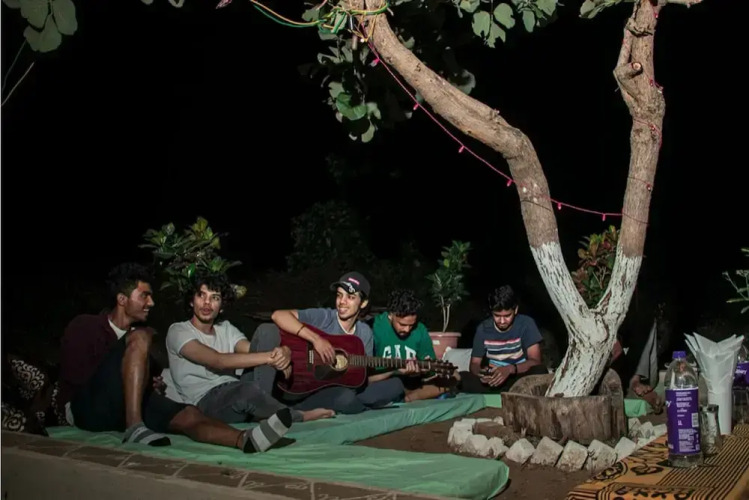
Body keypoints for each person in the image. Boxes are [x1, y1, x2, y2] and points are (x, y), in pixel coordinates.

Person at [57, 262, 292, 453]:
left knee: (188, 414)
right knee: (142, 335)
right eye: (145, 296)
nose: (151, 302)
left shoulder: (140, 344)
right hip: (86, 407)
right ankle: (134, 427)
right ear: (122, 299)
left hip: (122, 407)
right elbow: (77, 378)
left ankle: (245, 439)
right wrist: (123, 376)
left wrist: (147, 383)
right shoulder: (87, 326)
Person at [166, 272, 335, 424]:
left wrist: (285, 352)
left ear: (222, 306)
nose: (207, 303)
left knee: (267, 331)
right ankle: (297, 416)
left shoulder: (225, 328)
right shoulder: (178, 331)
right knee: (246, 392)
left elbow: (254, 350)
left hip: (237, 388)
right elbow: (218, 361)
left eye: (215, 298)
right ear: (191, 301)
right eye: (201, 295)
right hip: (207, 402)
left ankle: (265, 409)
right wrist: (271, 357)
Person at [251, 271, 405, 413]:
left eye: (350, 297)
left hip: (328, 390)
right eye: (339, 295)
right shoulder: (325, 317)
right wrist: (316, 339)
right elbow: (278, 315)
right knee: (267, 330)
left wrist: (395, 369)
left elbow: (364, 378)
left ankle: (296, 409)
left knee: (393, 386)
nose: (342, 301)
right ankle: (267, 405)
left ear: (363, 303)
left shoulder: (364, 333)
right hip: (300, 381)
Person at [371, 289, 458, 402]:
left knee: (455, 376)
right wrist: (395, 370)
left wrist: (422, 370)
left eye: (411, 325)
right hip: (381, 382)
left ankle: (408, 398)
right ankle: (409, 397)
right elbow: (367, 377)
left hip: (411, 383)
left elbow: (429, 368)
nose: (407, 329)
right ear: (390, 315)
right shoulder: (374, 327)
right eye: (402, 324)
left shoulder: (420, 329)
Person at [459, 285, 548, 393]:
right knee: (461, 378)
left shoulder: (526, 324)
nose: (502, 321)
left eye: (507, 316)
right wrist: (481, 373)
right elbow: (474, 364)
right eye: (497, 316)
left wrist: (509, 369)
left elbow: (535, 361)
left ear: (515, 310)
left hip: (519, 377)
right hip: (493, 379)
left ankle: (514, 391)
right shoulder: (483, 329)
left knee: (539, 371)